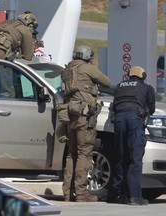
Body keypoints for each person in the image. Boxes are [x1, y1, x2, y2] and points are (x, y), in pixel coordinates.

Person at [61, 45, 111, 202]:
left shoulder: (67, 70)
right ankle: (82, 193)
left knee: (71, 154)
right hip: (84, 116)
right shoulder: (87, 68)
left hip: (69, 116)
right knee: (84, 153)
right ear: (88, 56)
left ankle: (67, 192)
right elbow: (107, 82)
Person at [108, 66, 155, 205]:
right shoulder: (146, 88)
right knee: (135, 159)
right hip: (135, 120)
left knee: (121, 157)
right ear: (142, 75)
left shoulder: (119, 86)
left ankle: (119, 195)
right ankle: (135, 196)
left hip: (119, 121)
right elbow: (151, 108)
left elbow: (114, 106)